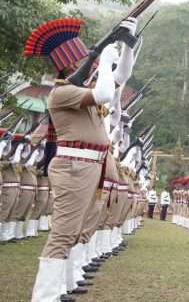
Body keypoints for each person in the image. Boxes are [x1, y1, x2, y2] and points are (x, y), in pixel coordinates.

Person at [27, 17, 138, 302]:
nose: (88, 64)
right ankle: (44, 297)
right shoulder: (62, 93)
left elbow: (119, 79)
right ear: (69, 66)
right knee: (64, 231)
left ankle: (60, 288)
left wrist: (128, 43)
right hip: (74, 166)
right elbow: (105, 93)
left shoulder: (79, 92)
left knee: (76, 230)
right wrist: (106, 58)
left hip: (89, 166)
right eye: (82, 60)